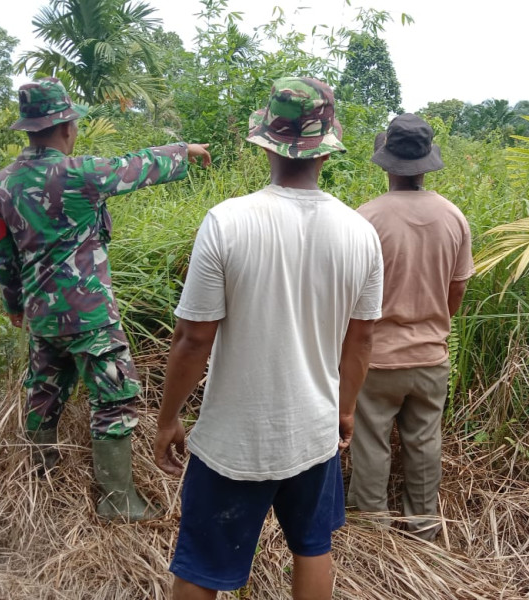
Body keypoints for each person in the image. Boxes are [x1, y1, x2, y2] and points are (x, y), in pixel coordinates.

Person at [153, 77, 383, 600]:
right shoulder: (359, 233)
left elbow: (193, 339)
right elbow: (361, 341)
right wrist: (344, 410)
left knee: (201, 565)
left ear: (265, 143)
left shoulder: (227, 222)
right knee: (312, 547)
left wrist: (168, 417)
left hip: (235, 437)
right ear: (326, 149)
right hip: (314, 433)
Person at [0, 77, 211, 522]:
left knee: (44, 395)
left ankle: (39, 482)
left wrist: (15, 305)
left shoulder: (1, 185)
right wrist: (182, 150)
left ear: (29, 128)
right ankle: (118, 501)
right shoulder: (81, 173)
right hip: (90, 314)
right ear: (66, 126)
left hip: (41, 315)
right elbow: (134, 167)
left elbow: (2, 253)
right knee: (116, 397)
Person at [347, 113, 475, 541]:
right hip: (430, 356)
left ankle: (372, 529)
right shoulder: (453, 217)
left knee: (370, 441)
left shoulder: (365, 219)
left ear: (386, 164)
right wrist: (433, 325)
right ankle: (423, 527)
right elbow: (456, 290)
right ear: (426, 164)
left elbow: (350, 296)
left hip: (376, 359)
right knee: (424, 442)